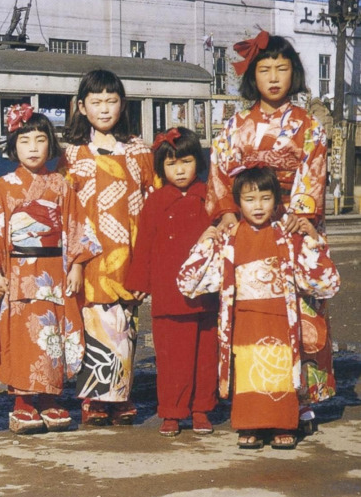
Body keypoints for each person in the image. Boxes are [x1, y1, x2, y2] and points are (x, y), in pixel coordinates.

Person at [206, 31, 331, 430]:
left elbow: (313, 175)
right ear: (252, 78)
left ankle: (303, 396)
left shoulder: (309, 125)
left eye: (282, 69)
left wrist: (302, 215)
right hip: (250, 224)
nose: (274, 77)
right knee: (255, 314)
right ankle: (257, 394)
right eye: (265, 70)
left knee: (303, 309)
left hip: (292, 224)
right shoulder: (236, 126)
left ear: (293, 74)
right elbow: (221, 173)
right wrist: (226, 211)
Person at [178, 166, 340, 449]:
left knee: (279, 370)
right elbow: (188, 283)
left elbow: (324, 282)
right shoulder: (229, 237)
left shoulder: (286, 237)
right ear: (237, 202)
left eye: (266, 198)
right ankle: (249, 425)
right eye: (250, 199)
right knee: (249, 370)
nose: (258, 206)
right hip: (244, 317)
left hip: (280, 315)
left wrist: (310, 236)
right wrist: (205, 242)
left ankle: (282, 424)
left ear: (277, 201)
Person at [0, 104, 101, 435]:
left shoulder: (59, 184)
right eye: (25, 141)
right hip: (20, 268)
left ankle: (51, 397)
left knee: (52, 332)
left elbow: (76, 226)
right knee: (22, 334)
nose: (33, 148)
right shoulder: (4, 185)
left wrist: (78, 265)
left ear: (50, 145)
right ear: (14, 146)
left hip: (53, 267)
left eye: (40, 140)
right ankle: (23, 402)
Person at [59, 69, 160, 425]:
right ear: (81, 107)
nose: (104, 109)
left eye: (111, 101)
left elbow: (154, 200)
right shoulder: (70, 154)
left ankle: (120, 395)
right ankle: (93, 400)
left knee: (124, 323)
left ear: (122, 104)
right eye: (96, 102)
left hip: (128, 252)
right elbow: (62, 208)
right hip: (86, 254)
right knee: (91, 323)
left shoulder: (138, 151)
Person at [125, 127, 219, 437]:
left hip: (205, 292)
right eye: (170, 164)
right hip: (168, 293)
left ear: (199, 163)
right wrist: (139, 281)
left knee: (205, 356)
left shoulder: (209, 196)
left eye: (186, 161)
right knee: (171, 359)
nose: (179, 170)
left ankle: (201, 409)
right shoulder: (155, 201)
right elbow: (144, 245)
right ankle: (172, 411)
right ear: (161, 168)